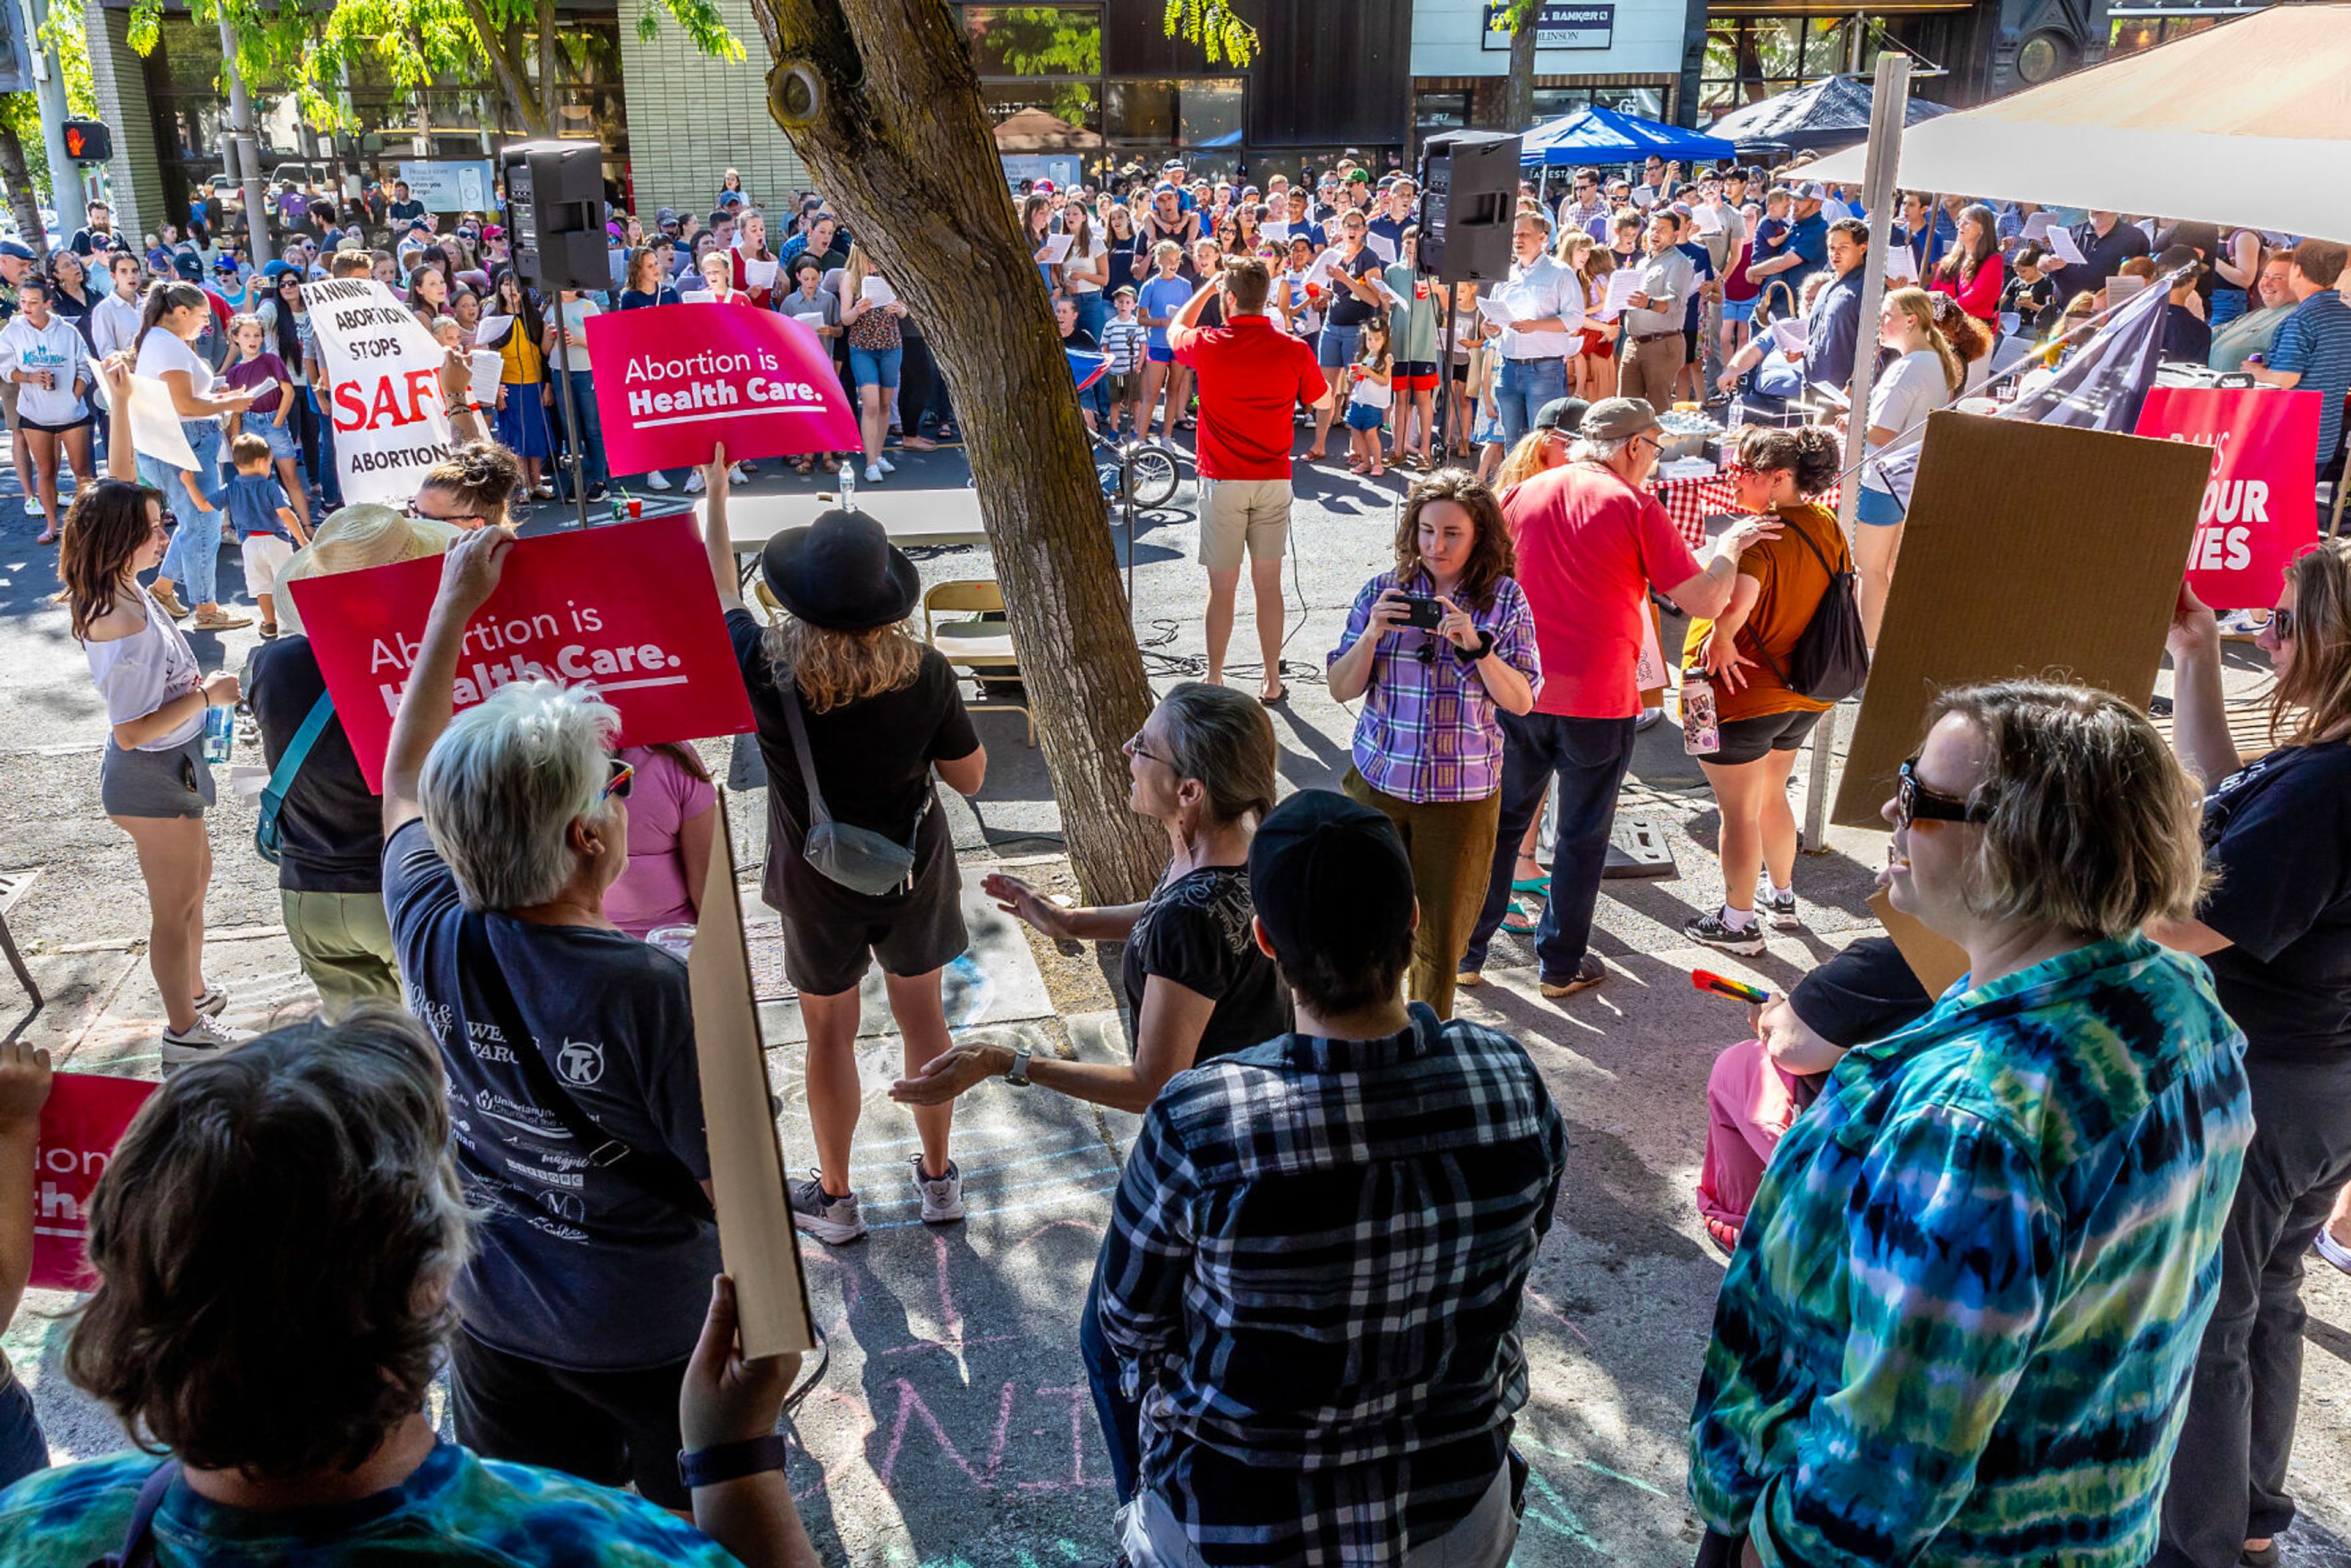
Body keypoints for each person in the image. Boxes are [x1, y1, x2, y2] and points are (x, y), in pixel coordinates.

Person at [1690, 681, 2252, 1568]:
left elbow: (1892, 1463)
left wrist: (1771, 1546)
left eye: (1917, 796)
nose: (1888, 808)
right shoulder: (2176, 1001)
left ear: (2022, 842)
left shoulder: (1975, 1125)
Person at [0, 1005, 823, 1567]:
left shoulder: (37, 1527)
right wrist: (733, 1459)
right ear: (431, 1280)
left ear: (125, 1277)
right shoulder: (593, 1544)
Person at [1097, 788, 1568, 1566]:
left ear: (1266, 943)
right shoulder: (1509, 1084)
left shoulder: (1200, 1120)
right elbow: (1525, 1247)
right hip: (1452, 1514)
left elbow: (1128, 1327)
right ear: (1413, 917)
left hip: (1234, 1527)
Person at [377, 524, 723, 1512]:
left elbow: (402, 781)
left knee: (536, 1533)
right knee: (675, 1532)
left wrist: (451, 609)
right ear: (589, 836)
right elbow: (723, 1183)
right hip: (656, 1334)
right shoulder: (647, 991)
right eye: (613, 785)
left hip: (493, 1319)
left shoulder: (428, 918)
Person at [890, 683, 1284, 1500]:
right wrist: (1072, 923)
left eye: (1144, 747)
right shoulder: (1247, 847)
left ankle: (1151, 1521)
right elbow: (1181, 909)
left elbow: (1153, 1082)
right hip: (1260, 1136)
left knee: (1113, 1345)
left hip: (1204, 1167)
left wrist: (1009, 1062)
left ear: (1188, 790)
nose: (1126, 755)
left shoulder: (1192, 914)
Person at [699, 448, 985, 1245]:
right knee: (923, 1019)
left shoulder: (765, 667)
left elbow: (721, 586)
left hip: (813, 885)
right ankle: (937, 1182)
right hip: (912, 878)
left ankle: (836, 1198)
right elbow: (972, 777)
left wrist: (719, 491)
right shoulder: (925, 671)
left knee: (830, 1035)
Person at [2154, 552, 2351, 1568]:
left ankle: (2197, 1548)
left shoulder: (2331, 780)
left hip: (2261, 1085)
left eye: (2282, 625)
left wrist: (2032, 899)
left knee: (2210, 1323)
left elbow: (2196, 919)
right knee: (2268, 1302)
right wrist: (2195, 654)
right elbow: (2237, 797)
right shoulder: (2323, 766)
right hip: (2315, 1082)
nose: (2265, 641)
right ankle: (2248, 1520)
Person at [1460, 399, 1779, 998]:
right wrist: (1730, 546)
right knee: (1582, 834)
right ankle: (1559, 965)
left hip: (1520, 688)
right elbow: (1705, 599)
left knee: (1500, 825)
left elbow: (1484, 578)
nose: (1655, 464)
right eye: (1655, 450)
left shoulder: (1524, 491)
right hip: (1598, 700)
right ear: (1633, 446)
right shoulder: (1634, 505)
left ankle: (1467, 953)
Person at [56, 361, 246, 1059]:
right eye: (154, 527)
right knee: (175, 909)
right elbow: (131, 730)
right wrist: (208, 695)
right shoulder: (121, 618)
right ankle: (186, 1033)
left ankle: (194, 992)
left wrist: (125, 402)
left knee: (197, 883)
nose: (163, 531)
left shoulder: (117, 574)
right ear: (121, 540)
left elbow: (117, 487)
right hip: (150, 771)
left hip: (174, 765)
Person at [1327, 470, 1539, 1018]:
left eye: (1452, 533)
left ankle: (1426, 1041)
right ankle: (1368, 1032)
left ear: (1479, 537)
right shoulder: (1383, 591)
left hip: (1461, 797)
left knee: (1441, 943)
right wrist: (1373, 635)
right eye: (1426, 531)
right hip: (1379, 783)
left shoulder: (1505, 601)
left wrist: (1477, 648)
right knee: (1365, 924)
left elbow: (1522, 699)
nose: (1436, 546)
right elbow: (1340, 687)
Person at [249, 504, 456, 1019]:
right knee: (438, 1060)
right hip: (400, 887)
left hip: (306, 893)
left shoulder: (272, 663)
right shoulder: (423, 663)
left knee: (366, 1067)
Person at [1678, 426, 1847, 951]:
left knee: (1738, 813)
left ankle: (1738, 921)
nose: (1734, 477)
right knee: (1773, 795)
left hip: (1745, 695)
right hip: (1805, 692)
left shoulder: (1758, 537)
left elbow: (1738, 603)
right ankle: (1783, 897)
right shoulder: (1826, 523)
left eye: (1745, 470)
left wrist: (1723, 637)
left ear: (1779, 479)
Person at [1164, 255, 1330, 702]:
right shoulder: (1294, 348)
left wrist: (1204, 288)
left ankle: (1216, 676)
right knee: (1269, 585)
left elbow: (1173, 329)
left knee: (1222, 589)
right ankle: (1272, 678)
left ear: (1229, 298)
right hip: (1274, 478)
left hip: (1222, 481)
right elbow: (1324, 398)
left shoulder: (1209, 342)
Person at [1695, 936, 1930, 1250]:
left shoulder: (1887, 958)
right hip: (1935, 1165)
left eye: (1903, 880)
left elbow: (1789, 1046)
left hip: (1864, 1157)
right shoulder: (2005, 965)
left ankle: (1744, 1221)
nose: (1882, 882)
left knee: (1739, 1065)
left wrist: (1769, 1015)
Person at [135, 282, 261, 630]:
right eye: (204, 316)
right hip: (185, 443)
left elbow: (187, 396)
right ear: (182, 313)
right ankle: (206, 609)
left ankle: (163, 590)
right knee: (204, 524)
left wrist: (219, 394)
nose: (207, 324)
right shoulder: (167, 346)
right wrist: (230, 403)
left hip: (185, 441)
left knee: (196, 523)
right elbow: (185, 404)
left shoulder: (163, 342)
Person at [1851, 286, 1963, 646]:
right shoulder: (1933, 361)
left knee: (1869, 570)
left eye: (1887, 315)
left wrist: (1850, 421)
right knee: (1884, 570)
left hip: (1885, 480)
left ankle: (1865, 654)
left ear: (1911, 320)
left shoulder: (1912, 366)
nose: (1881, 323)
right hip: (1906, 480)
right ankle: (1876, 649)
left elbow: (1883, 433)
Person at [2245, 238, 2351, 481]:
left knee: (2271, 512)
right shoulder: (2346, 316)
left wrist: (2255, 371)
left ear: (2298, 270)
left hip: (2289, 435)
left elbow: (2286, 378)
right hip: (2324, 438)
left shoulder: (2303, 319)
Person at [1, 277, 92, 546]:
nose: (27, 308)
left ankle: (85, 526)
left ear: (48, 304)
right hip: (35, 413)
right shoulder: (13, 332)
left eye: (33, 303)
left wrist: (73, 397)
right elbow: (6, 370)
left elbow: (84, 367)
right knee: (46, 470)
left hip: (72, 415)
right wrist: (31, 377)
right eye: (23, 302)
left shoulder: (67, 331)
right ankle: (52, 526)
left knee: (81, 471)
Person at [1486, 211, 1585, 452]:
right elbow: (1494, 320)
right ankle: (1515, 490)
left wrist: (1536, 325)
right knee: (1513, 444)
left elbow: (1575, 318)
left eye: (1524, 234)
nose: (1517, 240)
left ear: (1542, 238)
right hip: (1508, 368)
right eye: (1514, 235)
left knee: (1543, 443)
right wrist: (1491, 328)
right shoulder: (1505, 274)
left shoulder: (1561, 272)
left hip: (1544, 369)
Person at [605, 743, 718, 941]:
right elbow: (709, 893)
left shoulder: (542, 768)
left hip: (582, 946)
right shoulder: (675, 760)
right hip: (677, 944)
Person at [1305, 209, 1389, 460]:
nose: (1352, 230)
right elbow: (1334, 291)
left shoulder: (1369, 258)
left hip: (1357, 329)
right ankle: (1319, 445)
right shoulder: (1334, 254)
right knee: (1325, 389)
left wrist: (1346, 279)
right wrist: (1324, 295)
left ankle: (1356, 449)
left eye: (1357, 226)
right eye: (1348, 225)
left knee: (1356, 390)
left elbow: (1374, 298)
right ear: (1341, 229)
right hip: (1332, 325)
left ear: (1364, 230)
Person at [220, 310, 308, 531]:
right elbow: (236, 411)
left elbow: (287, 393)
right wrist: (236, 438)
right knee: (258, 481)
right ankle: (270, 527)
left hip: (273, 422)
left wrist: (277, 422)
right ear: (236, 338)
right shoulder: (234, 373)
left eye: (257, 335)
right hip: (249, 425)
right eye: (247, 335)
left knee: (291, 477)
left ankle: (307, 525)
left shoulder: (271, 360)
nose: (253, 340)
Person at [220, 430, 307, 638]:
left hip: (249, 544)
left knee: (262, 586)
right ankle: (301, 621)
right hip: (276, 539)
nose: (270, 467)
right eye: (269, 463)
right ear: (261, 462)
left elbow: (205, 505)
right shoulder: (271, 487)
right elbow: (286, 515)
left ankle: (270, 623)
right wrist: (302, 539)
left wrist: (189, 484)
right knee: (287, 582)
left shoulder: (231, 488)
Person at [841, 244, 907, 485]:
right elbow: (844, 318)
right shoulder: (850, 277)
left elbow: (904, 311)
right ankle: (870, 463)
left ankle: (879, 455)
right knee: (869, 403)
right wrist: (858, 309)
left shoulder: (891, 272)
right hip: (863, 348)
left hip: (891, 345)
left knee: (885, 403)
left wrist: (898, 309)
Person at [486, 271, 554, 499]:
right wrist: (496, 390)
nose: (512, 289)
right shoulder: (493, 320)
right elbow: (488, 359)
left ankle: (536, 483)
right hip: (509, 387)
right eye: (506, 285)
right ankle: (523, 484)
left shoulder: (534, 316)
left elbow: (544, 356)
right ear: (500, 289)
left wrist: (547, 385)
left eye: (516, 285)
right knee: (516, 437)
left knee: (535, 435)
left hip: (534, 384)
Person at [544, 285, 607, 502]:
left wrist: (577, 341)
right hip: (559, 372)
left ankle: (599, 481)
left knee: (592, 428)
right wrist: (549, 336)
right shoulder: (551, 308)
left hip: (586, 373)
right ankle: (575, 482)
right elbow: (545, 349)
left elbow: (601, 343)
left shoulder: (589, 306)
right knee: (571, 430)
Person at [2210, 249, 2297, 375]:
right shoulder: (2260, 314)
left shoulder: (2296, 321)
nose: (2267, 283)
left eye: (2278, 278)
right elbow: (2211, 335)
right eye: (2265, 276)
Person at [1928, 203, 2004, 323]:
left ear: (1982, 229)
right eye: (1960, 222)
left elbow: (1976, 295)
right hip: (1946, 323)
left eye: (1967, 223)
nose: (1960, 227)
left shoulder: (1993, 260)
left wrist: (1947, 310)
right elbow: (1935, 289)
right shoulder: (1951, 259)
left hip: (1973, 328)